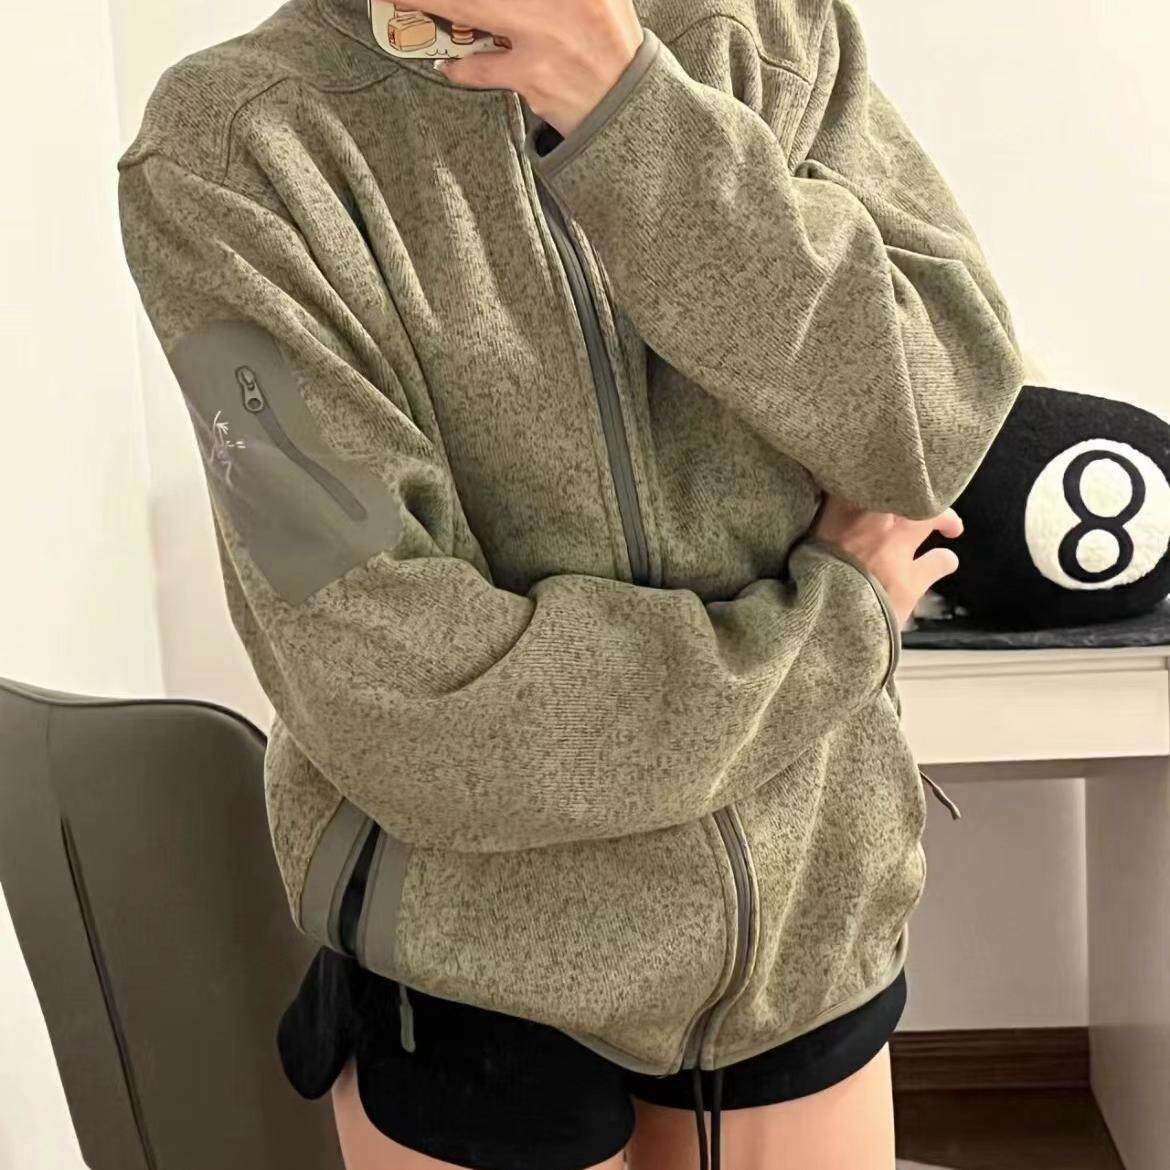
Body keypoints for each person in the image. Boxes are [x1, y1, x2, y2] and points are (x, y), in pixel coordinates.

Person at [115, 0, 1025, 1166]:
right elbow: (406, 704)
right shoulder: (236, 144)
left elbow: (935, 422)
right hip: (469, 977)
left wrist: (630, 112)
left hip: (802, 929)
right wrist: (827, 631)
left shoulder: (760, 30)